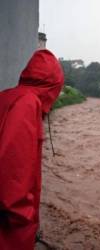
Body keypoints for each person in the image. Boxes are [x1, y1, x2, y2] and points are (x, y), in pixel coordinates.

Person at [0, 49, 64, 250]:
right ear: (53, 86)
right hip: (9, 235)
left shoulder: (8, 97)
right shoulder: (28, 105)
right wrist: (27, 223)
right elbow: (13, 183)